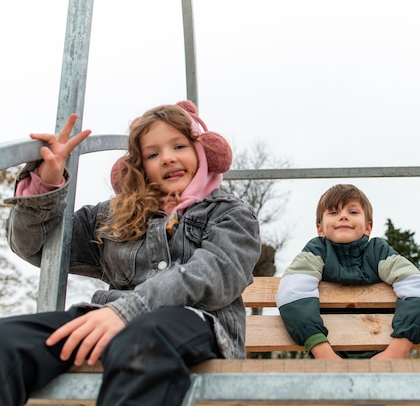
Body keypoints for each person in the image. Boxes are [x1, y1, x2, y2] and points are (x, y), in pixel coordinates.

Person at [0, 101, 261, 405]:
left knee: (141, 339)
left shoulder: (230, 214)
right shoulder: (112, 216)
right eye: (152, 154)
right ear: (138, 167)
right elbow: (34, 247)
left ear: (201, 153)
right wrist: (47, 182)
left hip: (195, 322)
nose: (167, 158)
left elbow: (214, 274)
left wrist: (129, 311)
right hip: (108, 319)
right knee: (8, 342)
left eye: (179, 145)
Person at [276, 183, 420, 359]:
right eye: (334, 212)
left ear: (368, 227)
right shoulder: (316, 252)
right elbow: (292, 293)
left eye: (353, 212)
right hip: (327, 356)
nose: (344, 216)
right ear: (320, 228)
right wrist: (323, 353)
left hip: (381, 354)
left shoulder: (378, 252)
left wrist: (394, 352)